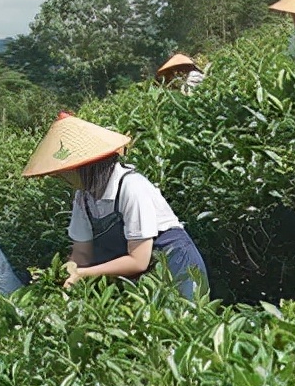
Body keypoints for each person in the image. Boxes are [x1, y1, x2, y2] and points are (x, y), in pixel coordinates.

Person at [21, 111, 209, 300]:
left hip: (177, 265)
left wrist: (84, 274)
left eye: (64, 172)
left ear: (85, 166)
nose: (59, 177)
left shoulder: (131, 187)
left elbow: (138, 261)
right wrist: (67, 270)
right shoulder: (83, 198)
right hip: (148, 277)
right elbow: (81, 253)